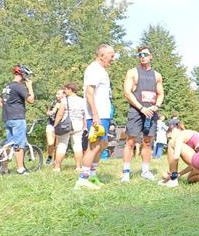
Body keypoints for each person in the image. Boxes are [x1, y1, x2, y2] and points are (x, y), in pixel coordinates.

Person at [121, 46, 164, 182]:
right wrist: (140, 107)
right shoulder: (133, 72)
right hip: (136, 111)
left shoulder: (157, 75)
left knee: (147, 142)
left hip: (151, 112)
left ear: (151, 56)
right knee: (130, 141)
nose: (142, 56)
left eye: (145, 54)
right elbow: (127, 92)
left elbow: (161, 93)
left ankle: (145, 171)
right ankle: (126, 173)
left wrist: (156, 106)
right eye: (139, 54)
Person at [77, 44, 115, 189]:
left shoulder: (101, 70)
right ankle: (82, 179)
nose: (112, 59)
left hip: (104, 114)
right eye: (111, 56)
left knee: (103, 144)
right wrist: (95, 115)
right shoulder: (94, 69)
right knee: (93, 146)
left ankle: (92, 175)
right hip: (97, 115)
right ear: (102, 55)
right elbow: (89, 92)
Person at [0, 65, 35, 175]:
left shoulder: (7, 86)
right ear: (22, 74)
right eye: (26, 75)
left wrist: (8, 108)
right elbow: (31, 100)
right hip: (17, 118)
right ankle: (20, 169)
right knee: (19, 144)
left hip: (7, 118)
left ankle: (4, 168)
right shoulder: (19, 86)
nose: (27, 78)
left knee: (8, 143)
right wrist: (30, 87)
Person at [159, 121, 199, 187]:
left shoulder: (181, 134)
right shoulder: (192, 134)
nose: (171, 136)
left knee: (171, 143)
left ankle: (173, 181)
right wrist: (179, 174)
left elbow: (176, 156)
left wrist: (172, 175)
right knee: (190, 179)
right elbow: (193, 164)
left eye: (170, 133)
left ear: (174, 130)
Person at [53, 83, 86, 172]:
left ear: (70, 90)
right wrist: (85, 126)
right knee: (78, 146)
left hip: (66, 125)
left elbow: (60, 114)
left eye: (66, 90)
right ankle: (79, 167)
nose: (65, 91)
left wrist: (55, 125)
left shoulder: (65, 100)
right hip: (78, 124)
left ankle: (57, 167)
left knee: (62, 145)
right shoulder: (82, 100)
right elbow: (84, 115)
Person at [45, 89, 65, 165]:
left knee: (58, 145)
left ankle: (56, 161)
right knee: (51, 143)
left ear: (64, 95)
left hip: (61, 125)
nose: (57, 95)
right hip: (51, 124)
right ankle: (50, 156)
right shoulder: (53, 102)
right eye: (56, 94)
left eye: (58, 94)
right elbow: (48, 112)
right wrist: (51, 112)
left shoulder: (66, 103)